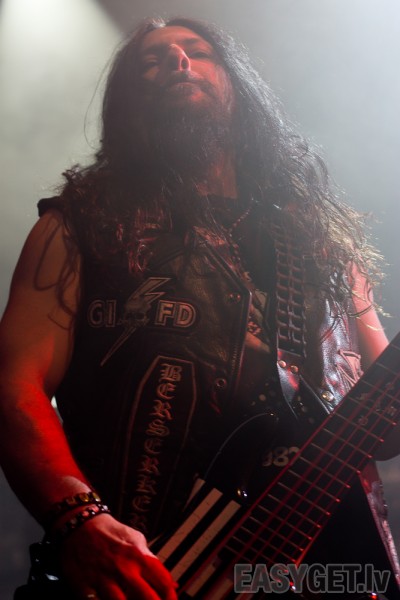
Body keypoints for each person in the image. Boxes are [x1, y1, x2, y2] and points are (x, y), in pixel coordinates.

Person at [0, 15, 399, 600]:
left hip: (326, 571)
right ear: (125, 106)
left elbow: (384, 430)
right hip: (155, 570)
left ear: (238, 87)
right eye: (152, 60)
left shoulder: (322, 246)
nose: (178, 61)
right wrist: (79, 519)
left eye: (198, 51)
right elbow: (15, 390)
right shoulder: (82, 225)